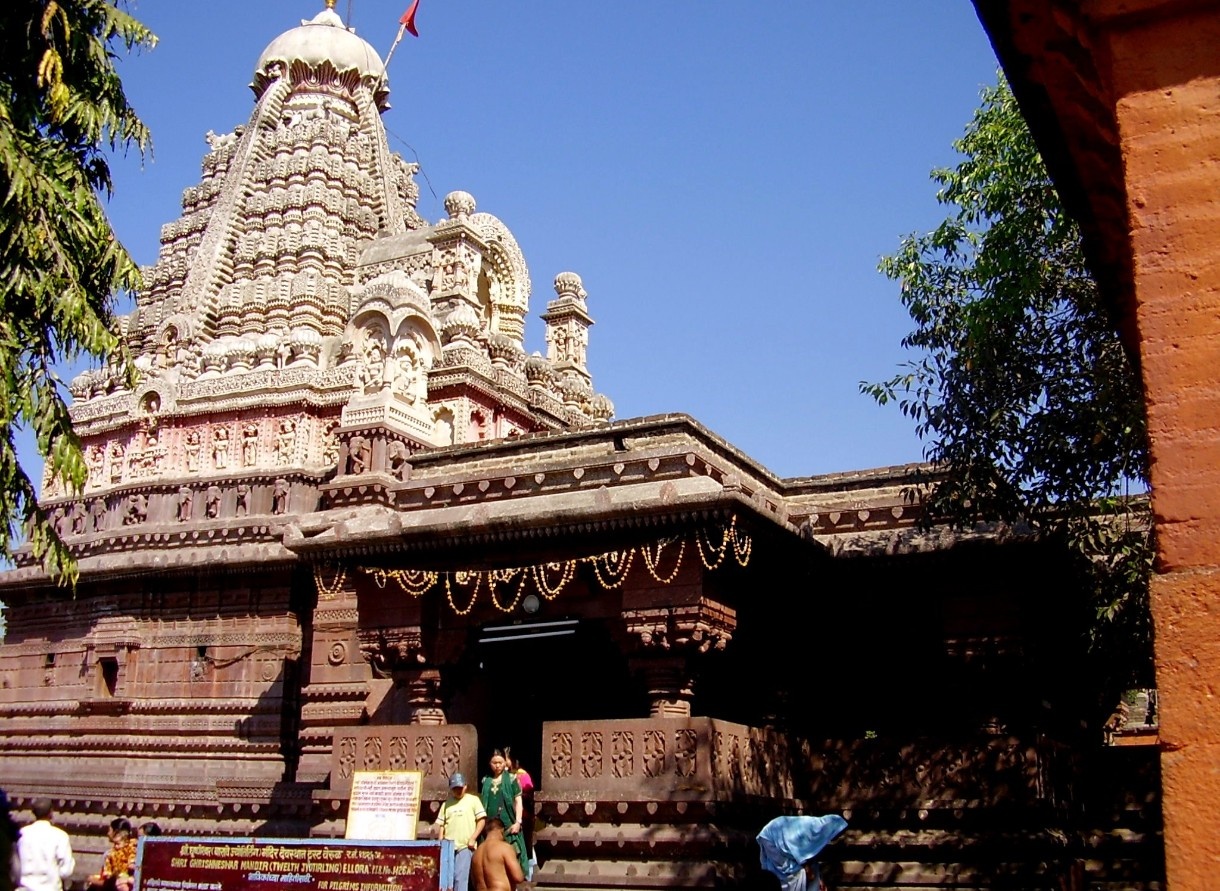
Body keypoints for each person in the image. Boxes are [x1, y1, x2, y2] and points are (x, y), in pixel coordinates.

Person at [756, 814, 847, 891]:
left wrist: (817, 878)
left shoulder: (818, 832)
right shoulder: (812, 828)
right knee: (793, 875)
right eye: (837, 834)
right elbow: (795, 848)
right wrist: (807, 869)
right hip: (772, 838)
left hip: (778, 838)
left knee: (810, 870)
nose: (836, 837)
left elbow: (809, 856)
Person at [478, 752, 528, 879]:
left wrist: (518, 822)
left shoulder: (511, 779)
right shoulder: (486, 780)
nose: (497, 766)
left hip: (508, 824)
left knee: (512, 854)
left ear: (505, 763)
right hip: (490, 825)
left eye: (500, 762)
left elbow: (518, 801)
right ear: (490, 764)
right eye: (494, 763)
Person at [433, 774, 484, 891]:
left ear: (465, 786)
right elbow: (442, 825)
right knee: (447, 879)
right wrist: (440, 843)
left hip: (465, 846)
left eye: (460, 788)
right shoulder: (446, 804)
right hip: (448, 847)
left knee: (460, 878)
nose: (458, 791)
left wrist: (473, 838)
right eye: (455, 788)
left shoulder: (473, 800)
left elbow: (481, 820)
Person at [16, 798, 74, 891]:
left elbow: (13, 864)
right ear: (51, 812)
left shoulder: (21, 834)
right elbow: (66, 870)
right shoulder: (60, 836)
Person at [503, 748, 535, 879]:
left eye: (506, 758)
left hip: (523, 816)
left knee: (524, 846)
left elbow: (528, 793)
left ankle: (527, 874)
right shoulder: (504, 776)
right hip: (508, 817)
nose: (505, 761)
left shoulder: (522, 775)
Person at [470, 818, 524, 891]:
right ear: (501, 830)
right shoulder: (504, 848)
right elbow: (518, 877)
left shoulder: (476, 853)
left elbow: (474, 882)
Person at [89, 819, 136, 891]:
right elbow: (108, 877)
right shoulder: (109, 854)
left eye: (110, 830)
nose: (108, 834)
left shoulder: (134, 849)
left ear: (117, 833)